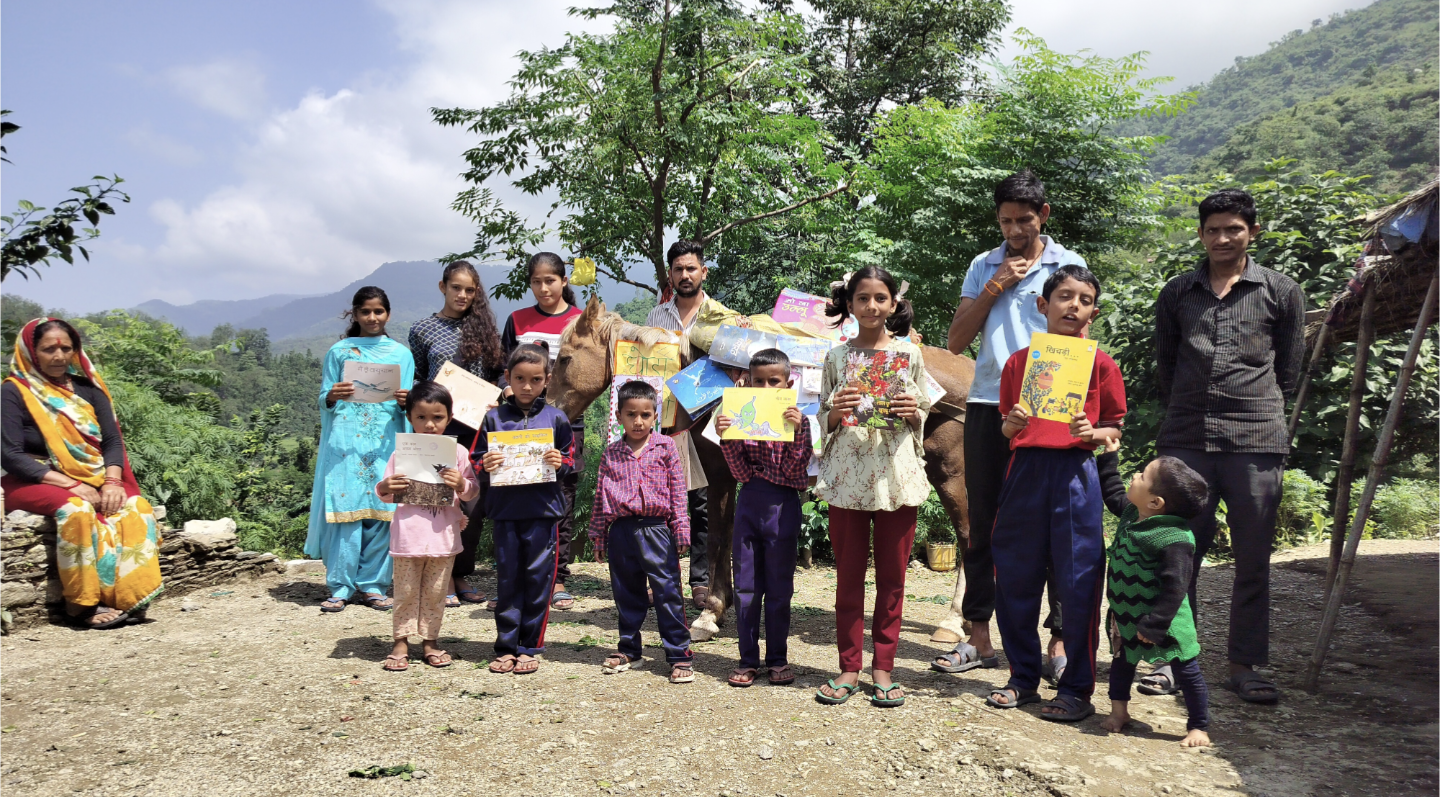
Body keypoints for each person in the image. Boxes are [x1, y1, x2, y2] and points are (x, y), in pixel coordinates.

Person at [1154, 188, 1305, 705]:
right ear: (1201, 234)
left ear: (1252, 233)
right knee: (1178, 555)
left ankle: (1246, 665)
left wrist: (1261, 412)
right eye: (1213, 229)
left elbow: (1288, 369)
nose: (1223, 238)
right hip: (1187, 439)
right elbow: (1166, 366)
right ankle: (1174, 659)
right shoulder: (1178, 292)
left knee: (1253, 558)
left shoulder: (1281, 291)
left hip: (1255, 440)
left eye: (1233, 229)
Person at [941, 169, 1088, 677]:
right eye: (1005, 221)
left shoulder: (1068, 264)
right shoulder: (983, 265)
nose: (1014, 231)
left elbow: (1081, 334)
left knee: (1054, 523)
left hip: (1050, 405)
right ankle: (977, 636)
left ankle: (1060, 643)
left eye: (1024, 220)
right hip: (987, 403)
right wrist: (996, 286)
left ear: (1043, 216)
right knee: (983, 521)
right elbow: (956, 340)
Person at [984, 264, 1126, 722]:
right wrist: (1012, 424)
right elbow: (1006, 425)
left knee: (1080, 581)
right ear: (1044, 305)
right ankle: (1022, 678)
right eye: (1065, 296)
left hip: (1075, 475)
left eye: (1084, 300)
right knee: (1014, 577)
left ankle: (1077, 689)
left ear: (1094, 312)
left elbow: (1115, 430)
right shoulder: (1019, 364)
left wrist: (1093, 431)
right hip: (1025, 472)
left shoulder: (1101, 364)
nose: (1074, 306)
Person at [813, 266, 931, 708]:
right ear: (849, 303)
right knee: (848, 577)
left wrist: (911, 411)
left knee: (893, 578)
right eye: (863, 298)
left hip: (895, 477)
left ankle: (883, 666)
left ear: (893, 304)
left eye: (880, 298)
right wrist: (835, 410)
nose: (872, 306)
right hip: (847, 476)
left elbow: (922, 415)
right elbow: (822, 424)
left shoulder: (910, 356)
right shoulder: (836, 358)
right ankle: (849, 666)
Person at [0, 318, 163, 628]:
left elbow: (113, 441)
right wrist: (70, 484)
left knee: (136, 508)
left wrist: (113, 481)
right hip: (32, 477)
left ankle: (127, 597)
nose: (59, 356)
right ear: (30, 352)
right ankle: (81, 605)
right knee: (76, 510)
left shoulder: (89, 389)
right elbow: (10, 455)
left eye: (66, 348)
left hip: (95, 474)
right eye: (49, 349)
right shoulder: (13, 393)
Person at [306, 287, 413, 612]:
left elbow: (410, 403)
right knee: (345, 514)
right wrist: (331, 395)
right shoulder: (339, 352)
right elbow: (324, 397)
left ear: (388, 314)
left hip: (385, 440)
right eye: (365, 311)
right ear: (354, 314)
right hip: (346, 444)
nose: (372, 317)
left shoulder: (400, 354)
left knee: (383, 514)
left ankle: (374, 586)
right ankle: (340, 586)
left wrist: (407, 402)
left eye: (378, 311)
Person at [408, 261, 507, 609]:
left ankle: (461, 571)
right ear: (442, 287)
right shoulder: (422, 330)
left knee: (472, 502)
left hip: (477, 429)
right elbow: (417, 377)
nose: (462, 294)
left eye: (469, 289)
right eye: (456, 288)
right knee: (436, 500)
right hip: (437, 428)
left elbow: (499, 374)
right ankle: (442, 575)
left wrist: (501, 392)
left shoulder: (484, 329)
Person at [645, 239, 737, 610]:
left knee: (703, 503)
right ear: (669, 274)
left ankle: (701, 581)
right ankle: (662, 578)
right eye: (678, 269)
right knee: (663, 501)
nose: (685, 275)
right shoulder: (655, 318)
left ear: (704, 272)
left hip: (706, 422)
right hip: (666, 421)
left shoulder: (725, 318)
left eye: (691, 268)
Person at [475, 344, 575, 675]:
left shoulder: (557, 418)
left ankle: (529, 646)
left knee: (538, 580)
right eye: (519, 378)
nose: (527, 386)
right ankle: (506, 646)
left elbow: (570, 460)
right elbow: (476, 461)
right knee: (508, 580)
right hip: (505, 512)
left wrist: (559, 463)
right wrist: (485, 463)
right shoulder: (493, 418)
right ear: (508, 378)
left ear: (547, 380)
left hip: (543, 513)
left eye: (535, 379)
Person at [1100, 455, 1212, 748]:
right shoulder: (1133, 514)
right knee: (1122, 663)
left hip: (1166, 623)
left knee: (1187, 670)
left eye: (1142, 476)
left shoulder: (1174, 538)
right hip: (1127, 616)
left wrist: (1155, 625)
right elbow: (1113, 494)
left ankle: (1198, 726)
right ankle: (1119, 712)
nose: (1134, 475)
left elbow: (1176, 588)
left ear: (1156, 502)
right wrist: (1107, 458)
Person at [715, 348, 812, 688]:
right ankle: (746, 658)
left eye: (775, 381)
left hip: (783, 507)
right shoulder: (742, 419)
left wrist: (798, 432)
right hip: (749, 504)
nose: (768, 387)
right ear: (749, 383)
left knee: (780, 588)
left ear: (789, 382)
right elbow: (740, 472)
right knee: (745, 586)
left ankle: (778, 658)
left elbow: (794, 471)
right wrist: (727, 436)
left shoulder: (799, 423)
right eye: (759, 381)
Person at [588, 380, 695, 684]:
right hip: (621, 531)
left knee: (668, 591)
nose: (638, 421)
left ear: (654, 416)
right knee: (626, 592)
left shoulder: (665, 447)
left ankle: (679, 654)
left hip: (656, 530)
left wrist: (681, 529)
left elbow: (678, 492)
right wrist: (598, 534)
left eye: (645, 415)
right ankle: (629, 649)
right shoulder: (612, 453)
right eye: (631, 414)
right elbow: (601, 496)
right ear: (619, 416)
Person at [499, 253, 584, 612]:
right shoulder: (517, 320)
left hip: (566, 421)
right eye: (536, 281)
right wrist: (503, 389)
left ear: (564, 281)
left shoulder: (580, 322)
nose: (544, 287)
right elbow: (502, 367)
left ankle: (558, 577)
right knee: (518, 494)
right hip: (518, 423)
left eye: (551, 280)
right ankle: (518, 576)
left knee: (560, 496)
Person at [376, 381, 479, 671]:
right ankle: (400, 642)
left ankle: (430, 642)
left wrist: (461, 483)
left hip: (443, 538)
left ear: (449, 417)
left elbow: (472, 492)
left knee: (435, 593)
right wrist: (387, 485)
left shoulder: (458, 453)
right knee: (406, 591)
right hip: (407, 537)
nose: (430, 424)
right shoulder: (402, 454)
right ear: (409, 417)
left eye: (437, 417)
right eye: (421, 417)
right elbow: (384, 491)